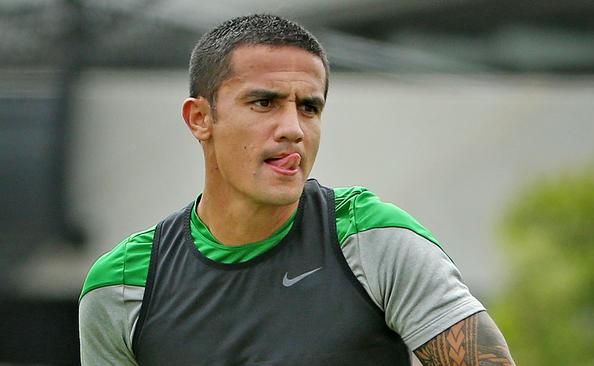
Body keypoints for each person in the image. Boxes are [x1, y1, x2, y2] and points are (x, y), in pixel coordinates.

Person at [78, 14, 515, 366]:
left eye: (309, 108)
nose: (293, 129)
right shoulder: (120, 286)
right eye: (264, 103)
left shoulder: (370, 238)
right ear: (200, 118)